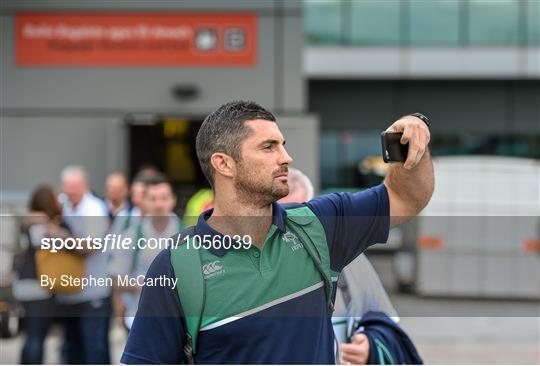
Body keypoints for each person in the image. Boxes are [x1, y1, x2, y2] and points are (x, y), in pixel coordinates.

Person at [121, 100, 434, 364]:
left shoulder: (320, 225)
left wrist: (409, 133)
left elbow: (405, 197)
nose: (286, 157)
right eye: (269, 147)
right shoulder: (176, 266)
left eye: (282, 145)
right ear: (224, 164)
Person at [279, 168, 422, 364]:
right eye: (281, 216)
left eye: (301, 215)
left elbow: (382, 319)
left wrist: (369, 345)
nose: (290, 227)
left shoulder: (350, 259)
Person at [109, 174, 182, 330]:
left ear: (173, 200)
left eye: (164, 197)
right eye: (153, 198)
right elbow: (115, 278)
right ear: (145, 202)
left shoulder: (187, 235)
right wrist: (141, 286)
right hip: (139, 318)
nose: (159, 204)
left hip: (178, 321)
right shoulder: (132, 235)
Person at [58, 165, 111, 364]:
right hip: (68, 293)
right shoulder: (62, 205)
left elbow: (90, 245)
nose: (70, 192)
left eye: (75, 187)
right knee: (71, 350)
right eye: (67, 187)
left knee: (94, 350)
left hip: (93, 293)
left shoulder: (94, 208)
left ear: (85, 186)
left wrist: (60, 237)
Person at [14, 185, 71, 364]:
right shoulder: (44, 224)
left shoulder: (28, 222)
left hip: (23, 284)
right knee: (37, 335)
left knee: (30, 334)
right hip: (40, 286)